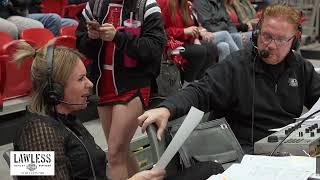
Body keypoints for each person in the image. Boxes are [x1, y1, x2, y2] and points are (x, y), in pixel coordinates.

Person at [137, 4, 320, 154]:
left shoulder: (300, 67)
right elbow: (201, 90)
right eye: (266, 36)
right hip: (246, 152)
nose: (271, 45)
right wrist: (167, 108)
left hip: (289, 150)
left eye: (280, 40)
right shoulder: (237, 65)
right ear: (257, 33)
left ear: (293, 41)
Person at [12, 40, 165, 179]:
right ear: (55, 90)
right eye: (80, 79)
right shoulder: (35, 132)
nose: (90, 84)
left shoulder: (67, 120)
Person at [76, 0, 166, 179]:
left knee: (115, 154)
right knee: (121, 151)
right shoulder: (94, 5)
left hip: (134, 85)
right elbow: (81, 44)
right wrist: (91, 38)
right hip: (103, 85)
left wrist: (118, 37)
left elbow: (155, 48)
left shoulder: (147, 6)